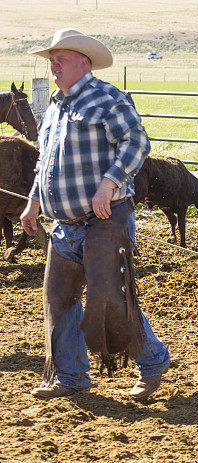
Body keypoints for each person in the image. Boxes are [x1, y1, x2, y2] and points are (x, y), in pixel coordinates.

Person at [20, 28, 170, 400]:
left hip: (106, 218)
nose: (54, 67)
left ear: (83, 62)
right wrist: (34, 201)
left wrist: (109, 183)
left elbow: (137, 143)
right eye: (51, 61)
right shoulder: (55, 107)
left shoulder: (108, 98)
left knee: (110, 298)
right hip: (63, 225)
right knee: (58, 300)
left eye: (61, 60)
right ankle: (69, 376)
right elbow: (46, 162)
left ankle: (152, 362)